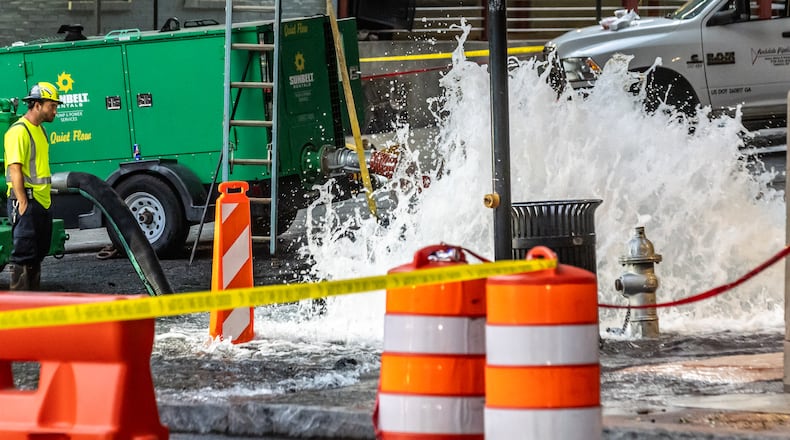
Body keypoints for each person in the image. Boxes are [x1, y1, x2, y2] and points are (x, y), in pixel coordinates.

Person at [3, 82, 60, 290]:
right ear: (37, 105)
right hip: (27, 201)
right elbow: (15, 168)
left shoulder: (40, 131)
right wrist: (23, 202)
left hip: (42, 202)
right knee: (23, 255)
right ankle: (20, 303)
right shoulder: (19, 131)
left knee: (37, 254)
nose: (55, 111)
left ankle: (33, 302)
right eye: (52, 106)